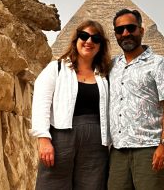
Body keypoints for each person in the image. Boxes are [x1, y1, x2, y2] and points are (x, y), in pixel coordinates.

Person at [30, 19, 112, 190]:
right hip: (61, 138)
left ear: (101, 45)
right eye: (84, 36)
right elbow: (41, 103)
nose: (89, 41)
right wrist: (44, 139)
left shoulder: (105, 76)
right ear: (76, 40)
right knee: (52, 185)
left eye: (96, 39)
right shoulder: (56, 68)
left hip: (96, 143)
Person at [107, 8, 164, 190]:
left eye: (131, 28)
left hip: (149, 149)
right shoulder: (112, 65)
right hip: (118, 151)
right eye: (120, 30)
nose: (125, 33)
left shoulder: (158, 63)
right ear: (115, 34)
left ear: (141, 30)